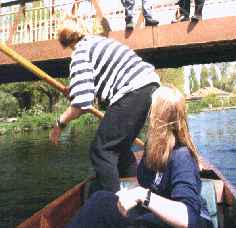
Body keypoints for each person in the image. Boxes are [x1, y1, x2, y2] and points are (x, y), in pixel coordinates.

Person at [66, 85, 214, 228]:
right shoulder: (153, 146)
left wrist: (143, 196)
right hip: (157, 216)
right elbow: (143, 182)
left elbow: (187, 218)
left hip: (189, 222)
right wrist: (121, 194)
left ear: (157, 117)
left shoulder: (183, 159)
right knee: (101, 199)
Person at [49, 14, 160, 193]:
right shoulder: (97, 43)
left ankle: (114, 209)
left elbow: (82, 104)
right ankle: (134, 194)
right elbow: (90, 86)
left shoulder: (80, 52)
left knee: (101, 150)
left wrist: (59, 123)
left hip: (133, 90)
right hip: (150, 87)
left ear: (64, 38)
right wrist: (74, 90)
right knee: (121, 149)